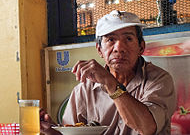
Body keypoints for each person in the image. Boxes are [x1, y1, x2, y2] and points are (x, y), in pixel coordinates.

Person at [41, 10, 177, 135]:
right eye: (111, 40)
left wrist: (111, 84)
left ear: (141, 47)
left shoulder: (159, 80)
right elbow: (71, 132)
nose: (119, 48)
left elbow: (147, 128)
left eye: (128, 39)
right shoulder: (84, 89)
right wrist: (51, 130)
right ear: (99, 49)